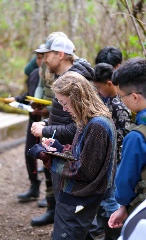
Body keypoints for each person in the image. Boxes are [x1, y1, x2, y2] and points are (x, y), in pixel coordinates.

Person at [28, 71, 117, 240]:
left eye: (65, 102)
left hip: (80, 198)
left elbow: (84, 170)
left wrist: (49, 157)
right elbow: (81, 154)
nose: (64, 108)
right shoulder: (86, 120)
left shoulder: (97, 126)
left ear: (77, 98)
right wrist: (58, 148)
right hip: (79, 197)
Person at [30, 35, 95, 226]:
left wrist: (46, 129)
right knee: (65, 212)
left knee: (75, 218)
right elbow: (65, 117)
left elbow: (79, 127)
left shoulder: (75, 83)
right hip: (62, 155)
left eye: (47, 54)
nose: (44, 60)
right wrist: (47, 124)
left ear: (60, 54)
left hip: (72, 159)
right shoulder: (65, 79)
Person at [86, 63, 132, 240]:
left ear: (109, 83)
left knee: (113, 200)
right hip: (107, 160)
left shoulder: (120, 106)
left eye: (98, 87)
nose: (97, 90)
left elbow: (125, 137)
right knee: (106, 199)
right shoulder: (104, 100)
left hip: (117, 160)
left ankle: (114, 235)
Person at [5, 50, 49, 202]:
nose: (40, 61)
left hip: (49, 121)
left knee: (49, 155)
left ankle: (51, 197)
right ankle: (34, 186)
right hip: (33, 119)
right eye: (37, 58)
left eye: (43, 58)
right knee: (29, 153)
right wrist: (14, 99)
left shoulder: (53, 75)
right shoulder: (34, 74)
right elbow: (27, 95)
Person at [108, 57, 146, 229]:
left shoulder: (137, 136)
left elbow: (124, 183)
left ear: (135, 97)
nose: (120, 101)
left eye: (121, 97)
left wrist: (124, 204)